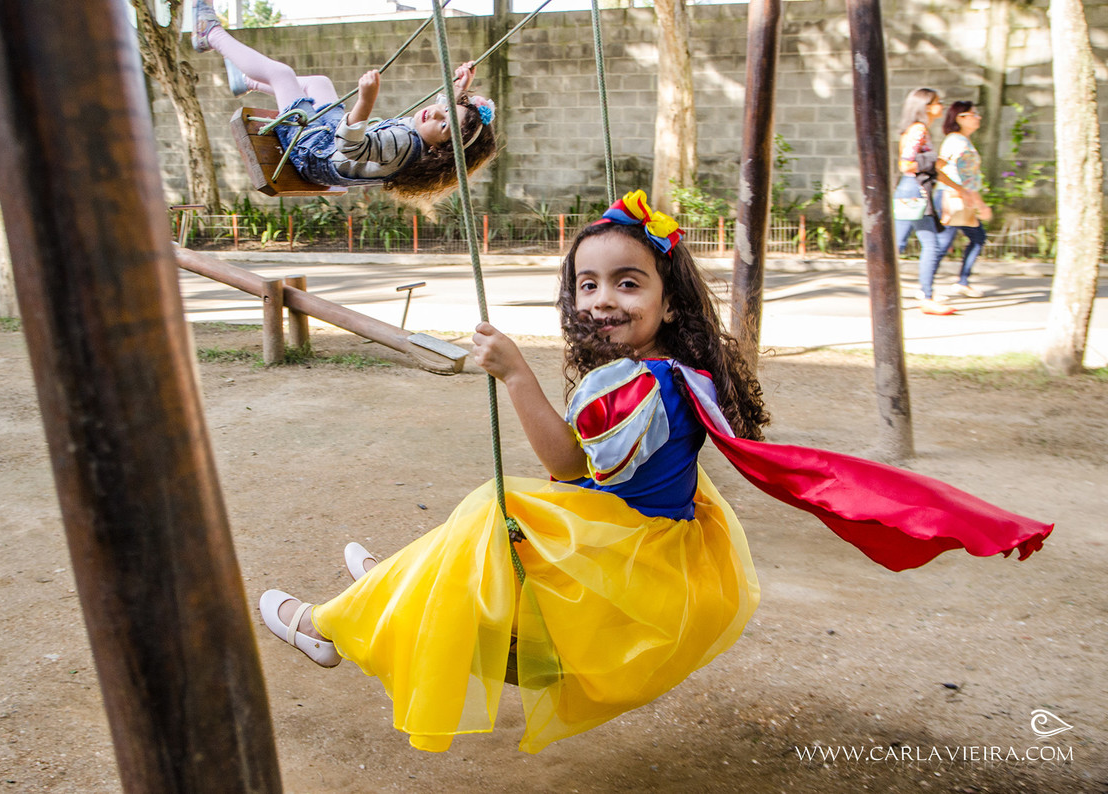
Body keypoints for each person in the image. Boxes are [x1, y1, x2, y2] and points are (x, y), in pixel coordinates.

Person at [257, 191, 1052, 755]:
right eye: (588, 284)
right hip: (659, 535)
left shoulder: (640, 388)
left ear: (669, 302)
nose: (602, 298)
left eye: (628, 284)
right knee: (481, 527)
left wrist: (515, 377)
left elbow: (565, 465)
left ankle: (331, 625)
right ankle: (395, 583)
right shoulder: (665, 367)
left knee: (488, 514)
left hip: (630, 556)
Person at [190, 1, 497, 207]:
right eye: (445, 109)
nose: (436, 112)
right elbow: (446, 115)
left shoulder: (402, 143)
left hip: (312, 153)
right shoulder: (423, 139)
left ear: (439, 150)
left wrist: (365, 101)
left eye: (443, 123)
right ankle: (248, 83)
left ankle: (210, 34)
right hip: (328, 141)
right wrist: (460, 88)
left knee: (282, 74)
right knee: (319, 83)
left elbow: (351, 147)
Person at [893, 87, 975, 315]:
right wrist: (933, 161)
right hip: (915, 190)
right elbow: (906, 164)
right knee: (930, 245)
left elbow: (933, 169)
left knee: (898, 245)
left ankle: (890, 293)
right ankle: (926, 298)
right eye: (938, 102)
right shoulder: (918, 130)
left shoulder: (920, 130)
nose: (942, 106)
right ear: (926, 106)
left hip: (910, 190)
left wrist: (959, 188)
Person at [936, 101, 992, 298]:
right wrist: (980, 204)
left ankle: (962, 281)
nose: (978, 117)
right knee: (942, 243)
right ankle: (926, 289)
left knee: (977, 238)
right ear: (960, 118)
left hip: (958, 197)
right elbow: (962, 177)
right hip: (954, 199)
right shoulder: (958, 142)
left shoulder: (960, 141)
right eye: (973, 114)